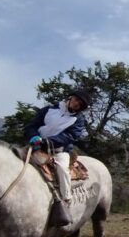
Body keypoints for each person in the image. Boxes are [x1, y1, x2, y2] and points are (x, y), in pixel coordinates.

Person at [25, 88, 91, 226]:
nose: (77, 104)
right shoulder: (49, 109)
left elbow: (71, 136)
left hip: (59, 150)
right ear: (70, 98)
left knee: (62, 169)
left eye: (81, 104)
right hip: (35, 145)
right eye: (76, 100)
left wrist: (47, 142)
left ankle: (66, 202)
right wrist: (33, 136)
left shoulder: (78, 120)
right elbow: (32, 125)